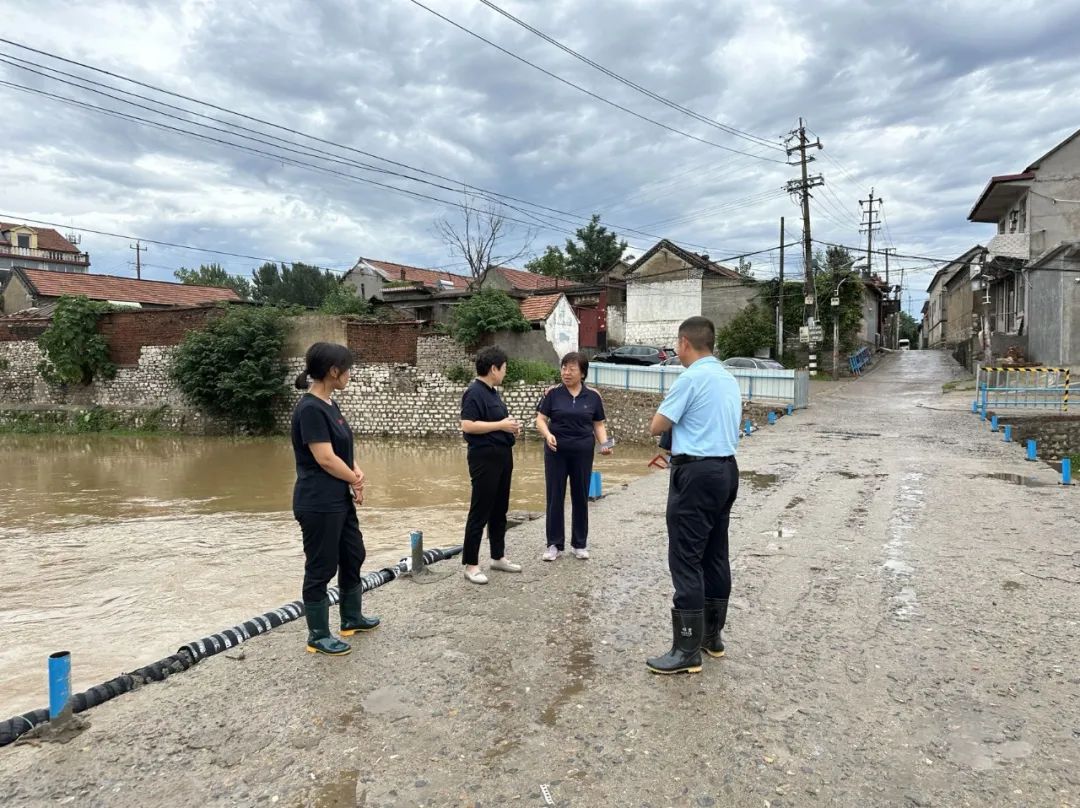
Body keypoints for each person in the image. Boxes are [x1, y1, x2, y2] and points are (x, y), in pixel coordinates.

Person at [645, 317, 741, 675]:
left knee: (686, 558)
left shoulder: (691, 377)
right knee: (716, 552)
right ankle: (711, 638)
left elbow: (658, 425)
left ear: (685, 343)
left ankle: (686, 649)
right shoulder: (728, 378)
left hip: (696, 474)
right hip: (726, 470)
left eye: (677, 345)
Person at [291, 342, 379, 656]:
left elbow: (342, 450)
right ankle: (317, 634)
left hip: (337, 498)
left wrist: (355, 473)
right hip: (318, 502)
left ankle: (351, 617)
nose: (350, 375)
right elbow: (325, 459)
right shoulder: (310, 408)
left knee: (353, 553)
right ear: (333, 371)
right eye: (347, 369)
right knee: (321, 566)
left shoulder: (330, 404)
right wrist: (354, 478)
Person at [535, 352, 612, 561]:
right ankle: (554, 544)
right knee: (555, 497)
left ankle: (579, 544)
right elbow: (540, 420)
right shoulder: (553, 394)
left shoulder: (593, 397)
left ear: (583, 373)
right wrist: (548, 434)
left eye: (572, 369)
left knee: (580, 496)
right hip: (556, 452)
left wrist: (604, 443)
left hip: (583, 453)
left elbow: (598, 424)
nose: (566, 373)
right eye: (564, 368)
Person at [459, 345, 524, 584]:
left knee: (500, 510)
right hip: (484, 458)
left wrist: (511, 428)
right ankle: (471, 564)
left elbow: (498, 422)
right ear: (493, 369)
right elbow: (467, 425)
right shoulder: (474, 392)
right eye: (504, 368)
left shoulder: (493, 392)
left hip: (502, 455)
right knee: (480, 511)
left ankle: (498, 556)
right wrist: (500, 426)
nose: (505, 372)